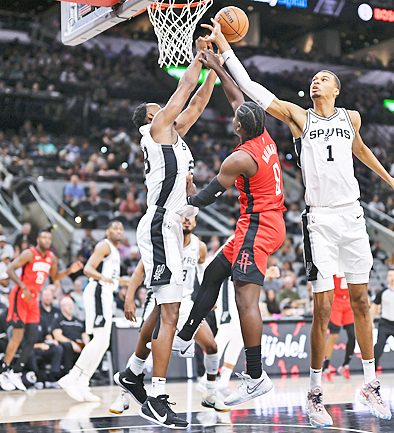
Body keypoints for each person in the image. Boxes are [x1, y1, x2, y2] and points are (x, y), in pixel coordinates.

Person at [199, 20, 394, 424]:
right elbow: (252, 89)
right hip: (319, 221)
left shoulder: (350, 118)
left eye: (324, 79)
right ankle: (314, 393)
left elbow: (363, 153)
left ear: (336, 90)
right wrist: (225, 53)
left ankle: (371, 384)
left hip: (353, 216)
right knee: (321, 308)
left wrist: (393, 182)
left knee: (361, 303)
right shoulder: (300, 118)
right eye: (314, 78)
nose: (316, 82)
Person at [170, 49, 286, 408]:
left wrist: (182, 203)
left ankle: (255, 377)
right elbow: (238, 95)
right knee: (214, 271)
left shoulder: (239, 158)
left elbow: (208, 195)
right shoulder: (263, 136)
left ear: (239, 128)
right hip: (263, 221)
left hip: (260, 225)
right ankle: (187, 335)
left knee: (244, 299)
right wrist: (217, 64)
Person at [131, 37, 217, 429]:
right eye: (156, 110)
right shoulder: (155, 133)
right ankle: (157, 396)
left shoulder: (174, 137)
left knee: (167, 310)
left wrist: (214, 70)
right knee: (170, 313)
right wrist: (199, 57)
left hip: (167, 223)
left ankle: (134, 375)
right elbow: (183, 92)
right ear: (147, 124)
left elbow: (196, 102)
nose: (162, 111)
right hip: (159, 223)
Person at [110, 216, 229, 414]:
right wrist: (129, 297)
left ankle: (210, 393)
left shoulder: (199, 247)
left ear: (196, 222)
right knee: (145, 347)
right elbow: (139, 272)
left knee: (211, 346)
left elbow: (203, 273)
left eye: (191, 218)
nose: (187, 221)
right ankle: (123, 395)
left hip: (186, 303)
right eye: (184, 217)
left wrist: (209, 296)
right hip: (160, 299)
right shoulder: (165, 241)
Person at [0, 227, 83, 392]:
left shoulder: (51, 258)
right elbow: (10, 270)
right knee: (17, 336)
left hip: (33, 299)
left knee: (32, 337)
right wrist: (23, 287)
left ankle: (16, 371)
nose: (46, 241)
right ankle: (2, 372)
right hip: (20, 296)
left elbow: (55, 277)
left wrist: (70, 271)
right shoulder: (29, 253)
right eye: (43, 238)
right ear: (38, 239)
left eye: (49, 238)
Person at [59, 221, 125, 402]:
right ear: (107, 230)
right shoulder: (104, 245)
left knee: (103, 343)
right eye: (115, 227)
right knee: (100, 339)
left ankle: (83, 382)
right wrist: (102, 277)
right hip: (97, 291)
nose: (118, 230)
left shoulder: (115, 251)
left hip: (105, 293)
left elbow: (114, 279)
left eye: (121, 228)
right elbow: (88, 269)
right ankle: (72, 377)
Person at [322, 276, 355, 380]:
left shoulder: (350, 263)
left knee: (353, 336)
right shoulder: (334, 266)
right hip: (336, 302)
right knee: (334, 336)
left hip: (348, 302)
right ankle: (325, 368)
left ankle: (345, 366)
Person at [52, 297, 90, 377]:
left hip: (79, 343)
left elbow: (84, 334)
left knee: (91, 347)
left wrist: (86, 343)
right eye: (68, 305)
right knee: (67, 346)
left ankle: (87, 373)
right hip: (67, 344)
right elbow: (57, 335)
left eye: (71, 305)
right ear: (62, 307)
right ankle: (68, 372)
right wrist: (72, 343)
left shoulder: (78, 320)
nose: (71, 307)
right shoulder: (59, 320)